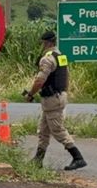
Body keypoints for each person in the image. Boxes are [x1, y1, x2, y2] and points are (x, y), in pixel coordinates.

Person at [22, 31, 87, 171]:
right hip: (58, 96)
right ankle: (38, 160)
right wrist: (64, 92)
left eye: (42, 43)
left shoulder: (47, 59)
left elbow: (40, 80)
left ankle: (78, 157)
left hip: (52, 99)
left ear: (46, 43)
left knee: (57, 130)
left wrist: (30, 94)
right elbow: (66, 76)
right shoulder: (60, 56)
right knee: (44, 131)